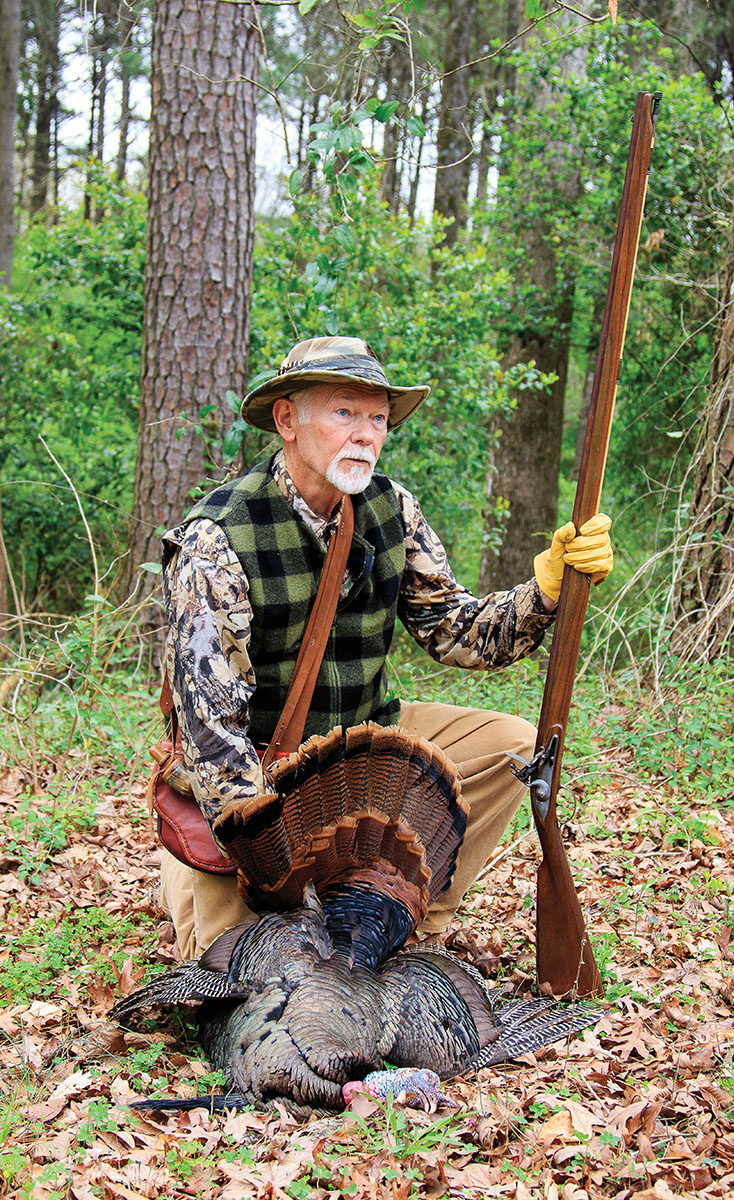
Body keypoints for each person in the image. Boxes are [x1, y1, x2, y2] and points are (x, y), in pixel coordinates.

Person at [159, 336, 613, 960]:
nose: (367, 434)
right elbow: (213, 736)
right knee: (240, 981)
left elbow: (457, 631)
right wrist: (274, 865)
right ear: (287, 420)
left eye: (378, 418)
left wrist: (548, 590)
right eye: (345, 412)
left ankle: (410, 920)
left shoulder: (391, 507)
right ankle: (202, 893)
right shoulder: (218, 536)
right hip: (255, 780)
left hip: (366, 748)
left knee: (514, 744)